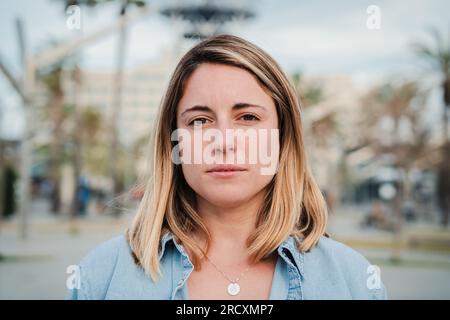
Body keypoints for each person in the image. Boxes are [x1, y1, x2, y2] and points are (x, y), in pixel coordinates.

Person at [67, 34, 387, 300]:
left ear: (283, 138)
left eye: (247, 117)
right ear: (174, 142)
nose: (223, 141)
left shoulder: (354, 282)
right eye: (200, 120)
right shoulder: (101, 278)